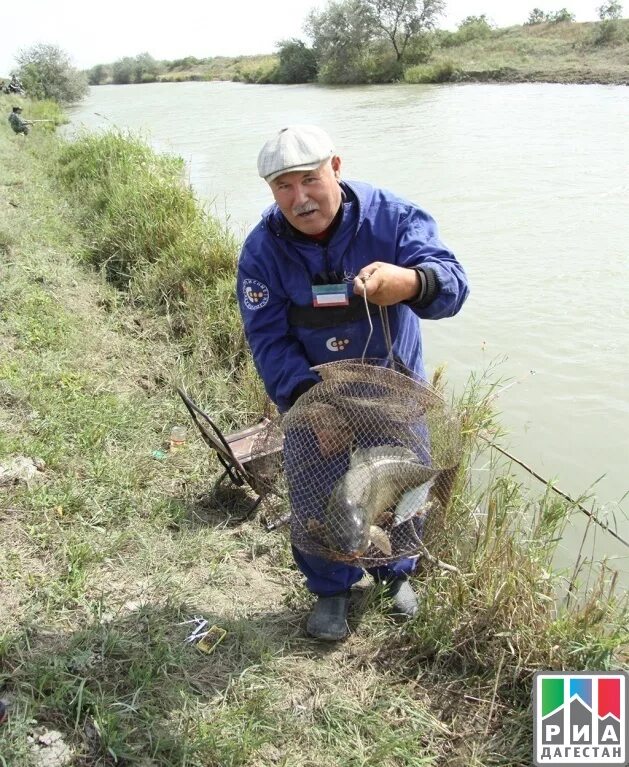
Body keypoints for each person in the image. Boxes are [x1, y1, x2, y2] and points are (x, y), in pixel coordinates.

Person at [237, 125, 469, 641]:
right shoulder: (262, 252)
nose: (299, 198)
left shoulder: (392, 218)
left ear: (336, 168)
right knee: (316, 498)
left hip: (395, 396)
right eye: (283, 187)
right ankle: (331, 589)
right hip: (316, 400)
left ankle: (395, 575)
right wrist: (308, 405)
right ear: (271, 192)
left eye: (309, 179)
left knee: (406, 490)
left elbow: (452, 284)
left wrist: (412, 282)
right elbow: (268, 339)